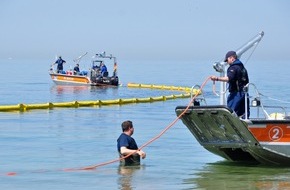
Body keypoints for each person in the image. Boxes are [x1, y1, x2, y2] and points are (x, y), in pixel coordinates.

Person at [210, 51, 250, 118]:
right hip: (244, 94)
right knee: (244, 114)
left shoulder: (233, 67)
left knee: (230, 113)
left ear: (232, 58)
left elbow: (229, 78)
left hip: (236, 95)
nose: (227, 62)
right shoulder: (243, 68)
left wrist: (216, 78)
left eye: (227, 60)